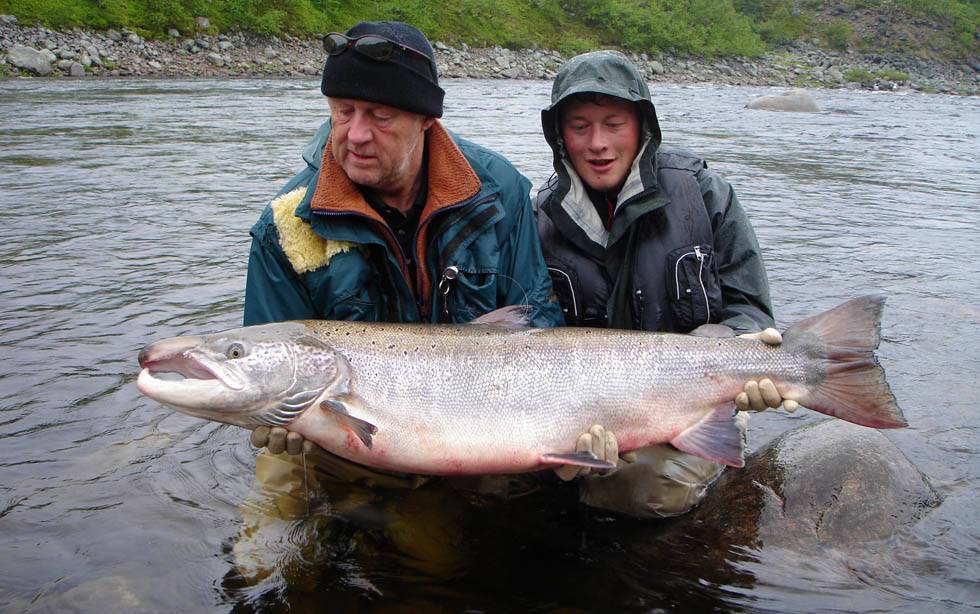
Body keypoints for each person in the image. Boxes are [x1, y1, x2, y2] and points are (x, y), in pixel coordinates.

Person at [234, 20, 562, 583]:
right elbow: (266, 353)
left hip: (461, 430)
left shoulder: (499, 190)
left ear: (426, 121)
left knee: (432, 569)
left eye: (379, 117)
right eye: (342, 112)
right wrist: (261, 414)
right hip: (322, 436)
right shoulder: (288, 223)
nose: (355, 134)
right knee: (261, 573)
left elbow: (540, 324)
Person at [533, 50, 794, 519]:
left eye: (614, 124)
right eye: (580, 126)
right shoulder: (539, 219)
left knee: (646, 490)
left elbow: (750, 310)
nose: (598, 143)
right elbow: (531, 336)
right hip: (581, 414)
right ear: (559, 136)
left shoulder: (705, 193)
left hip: (694, 404)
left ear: (642, 127)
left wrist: (745, 364)